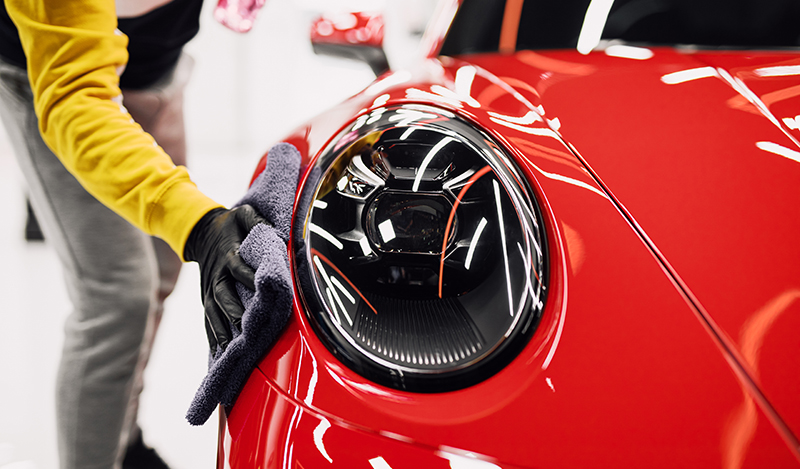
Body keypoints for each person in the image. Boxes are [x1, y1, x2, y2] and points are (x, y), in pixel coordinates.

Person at [0, 0, 263, 468]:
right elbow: (77, 102)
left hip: (155, 68)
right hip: (55, 82)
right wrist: (197, 224)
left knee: (161, 264)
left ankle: (119, 438)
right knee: (118, 300)